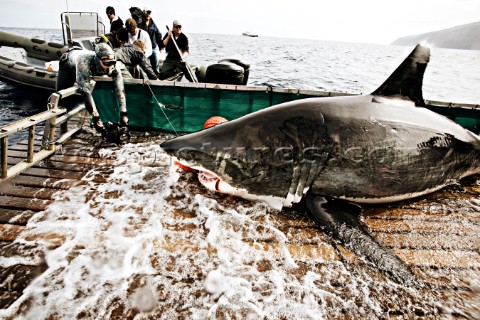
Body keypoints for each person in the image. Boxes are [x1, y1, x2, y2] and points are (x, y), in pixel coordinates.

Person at [56, 43, 128, 132]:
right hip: (68, 63)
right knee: (63, 99)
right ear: (98, 59)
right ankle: (63, 129)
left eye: (111, 63)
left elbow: (120, 89)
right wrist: (96, 118)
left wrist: (124, 113)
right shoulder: (84, 62)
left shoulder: (114, 65)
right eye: (106, 63)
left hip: (88, 65)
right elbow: (85, 91)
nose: (109, 66)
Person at [141, 7, 164, 73]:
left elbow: (158, 35)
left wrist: (161, 46)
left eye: (150, 13)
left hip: (153, 47)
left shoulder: (153, 24)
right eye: (147, 12)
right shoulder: (140, 23)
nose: (148, 14)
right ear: (144, 13)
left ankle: (157, 77)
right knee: (144, 65)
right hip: (144, 48)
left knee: (156, 66)